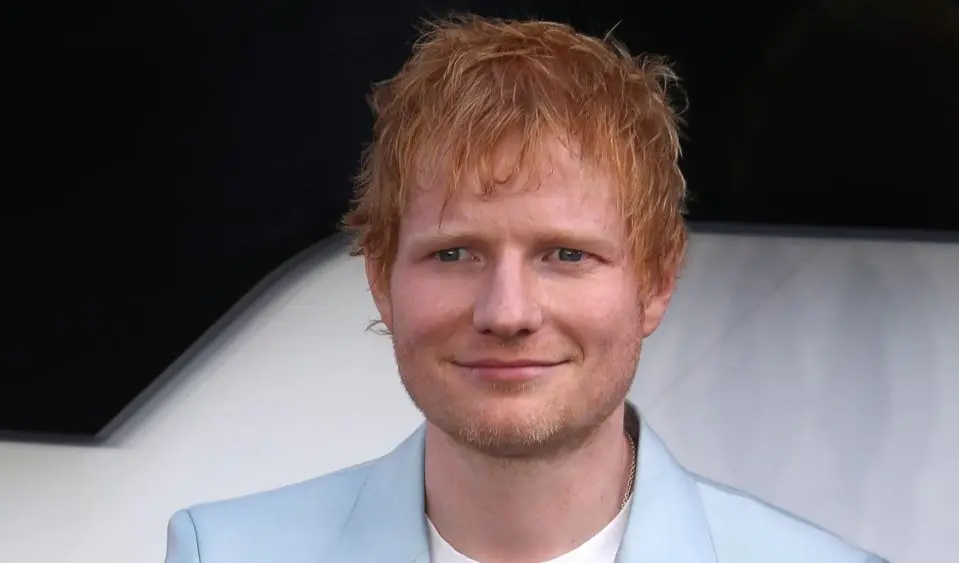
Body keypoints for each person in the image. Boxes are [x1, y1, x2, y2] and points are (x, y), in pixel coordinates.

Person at [164, 14, 887, 563]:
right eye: (454, 253)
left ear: (657, 280)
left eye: (566, 254)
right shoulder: (223, 554)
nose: (507, 312)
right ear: (380, 278)